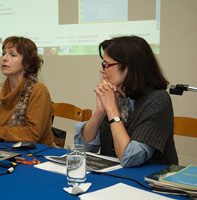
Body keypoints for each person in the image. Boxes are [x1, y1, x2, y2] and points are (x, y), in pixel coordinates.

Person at [74, 36, 178, 167]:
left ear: (129, 67)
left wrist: (111, 109)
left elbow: (129, 158)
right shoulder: (115, 95)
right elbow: (82, 148)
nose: (101, 69)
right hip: (115, 177)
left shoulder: (158, 101)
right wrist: (100, 112)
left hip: (149, 182)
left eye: (106, 64)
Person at [0, 36, 55, 147]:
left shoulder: (38, 91)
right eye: (4, 53)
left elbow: (32, 135)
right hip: (3, 149)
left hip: (34, 154)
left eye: (13, 55)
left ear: (27, 63)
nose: (4, 58)